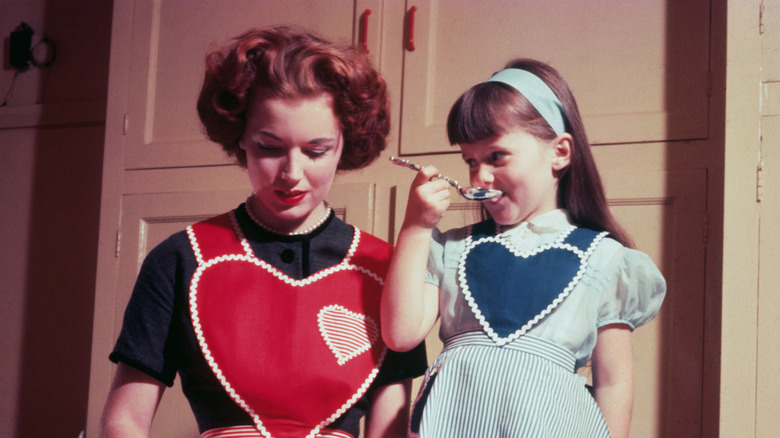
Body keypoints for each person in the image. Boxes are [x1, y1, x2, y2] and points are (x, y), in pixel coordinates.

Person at [99, 26, 427, 438]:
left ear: (347, 143)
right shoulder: (179, 260)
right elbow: (124, 421)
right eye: (269, 147)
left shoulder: (390, 271)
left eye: (316, 150)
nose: (292, 174)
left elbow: (389, 433)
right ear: (240, 139)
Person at [380, 58, 666, 438]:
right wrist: (416, 226)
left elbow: (613, 383)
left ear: (560, 153)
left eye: (496, 156)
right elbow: (400, 335)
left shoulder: (608, 261)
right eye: (470, 160)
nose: (480, 176)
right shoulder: (451, 248)